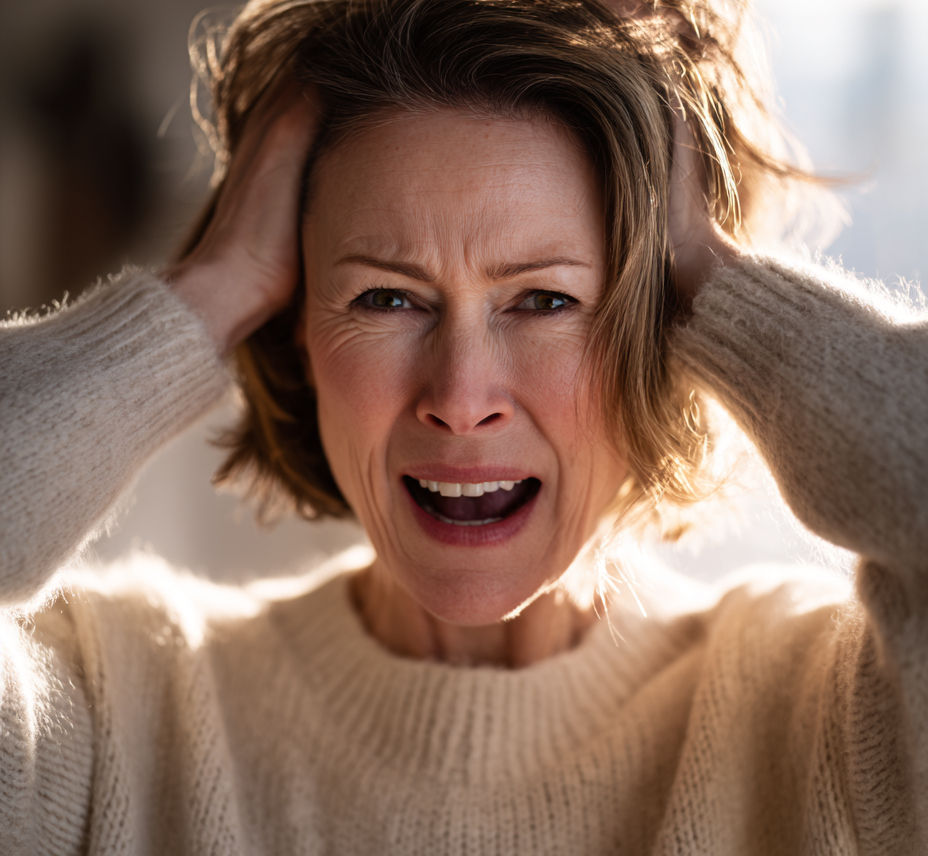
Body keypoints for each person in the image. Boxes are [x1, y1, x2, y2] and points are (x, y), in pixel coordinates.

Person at [1, 0, 926, 852]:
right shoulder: (108, 711)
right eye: (388, 296)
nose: (460, 392)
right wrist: (207, 289)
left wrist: (723, 282)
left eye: (543, 300)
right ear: (293, 325)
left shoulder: (827, 730)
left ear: (668, 327)